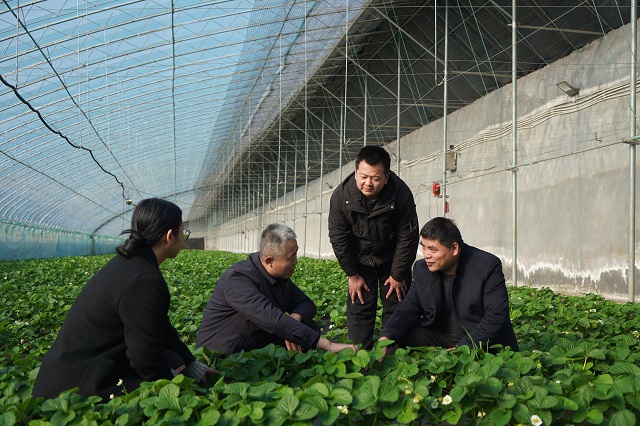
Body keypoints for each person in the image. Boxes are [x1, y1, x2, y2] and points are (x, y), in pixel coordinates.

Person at [32, 198, 216, 401]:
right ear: (170, 236)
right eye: (184, 232)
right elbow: (145, 359)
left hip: (64, 373)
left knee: (174, 359)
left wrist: (191, 364)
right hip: (75, 388)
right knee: (168, 364)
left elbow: (160, 327)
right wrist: (173, 385)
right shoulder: (144, 280)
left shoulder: (129, 263)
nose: (184, 238)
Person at [196, 224, 357, 356]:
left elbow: (306, 303)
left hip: (255, 343)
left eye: (296, 254)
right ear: (269, 261)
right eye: (291, 257)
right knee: (298, 333)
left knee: (307, 326)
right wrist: (328, 344)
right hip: (224, 354)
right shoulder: (238, 279)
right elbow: (272, 320)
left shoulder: (279, 277)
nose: (296, 261)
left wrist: (294, 319)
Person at [378, 217, 519, 354]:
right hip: (442, 336)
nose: (426, 255)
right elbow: (409, 308)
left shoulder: (486, 266)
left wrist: (462, 349)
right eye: (424, 247)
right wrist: (386, 336)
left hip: (479, 341)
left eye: (432, 249)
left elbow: (495, 317)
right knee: (399, 335)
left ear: (454, 248)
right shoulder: (422, 269)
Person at [328, 145, 419, 349]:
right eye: (363, 176)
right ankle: (360, 355)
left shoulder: (401, 194)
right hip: (360, 262)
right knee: (359, 306)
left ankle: (393, 357)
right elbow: (338, 238)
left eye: (376, 178)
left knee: (397, 305)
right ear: (355, 172)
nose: (368, 183)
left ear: (386, 177)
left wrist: (398, 274)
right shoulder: (342, 196)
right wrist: (352, 274)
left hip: (393, 260)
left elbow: (408, 237)